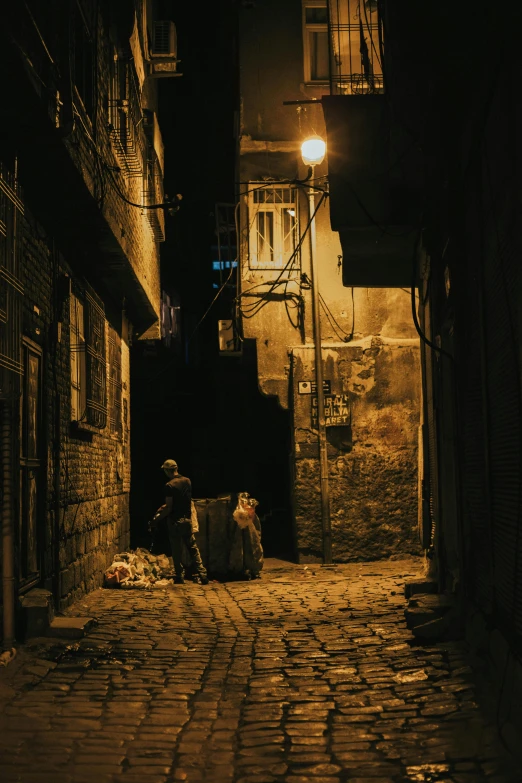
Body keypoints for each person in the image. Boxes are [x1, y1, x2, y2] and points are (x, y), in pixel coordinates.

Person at [152, 459, 209, 585]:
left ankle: (180, 575)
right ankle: (203, 574)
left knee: (176, 549)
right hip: (187, 520)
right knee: (193, 548)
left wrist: (157, 519)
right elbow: (183, 500)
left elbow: (169, 507)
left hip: (175, 521)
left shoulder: (169, 486)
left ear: (167, 471)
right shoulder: (187, 481)